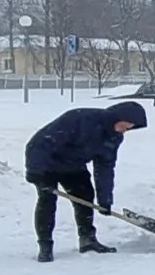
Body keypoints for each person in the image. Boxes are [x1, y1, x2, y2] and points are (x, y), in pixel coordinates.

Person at [25, 100, 148, 262]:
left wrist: (105, 200)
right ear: (116, 118)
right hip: (47, 163)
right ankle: (45, 246)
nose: (124, 131)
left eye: (128, 128)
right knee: (47, 201)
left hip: (74, 166)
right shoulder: (81, 119)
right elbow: (40, 144)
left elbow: (105, 168)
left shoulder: (113, 137)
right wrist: (35, 172)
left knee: (85, 197)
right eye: (124, 126)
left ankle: (87, 239)